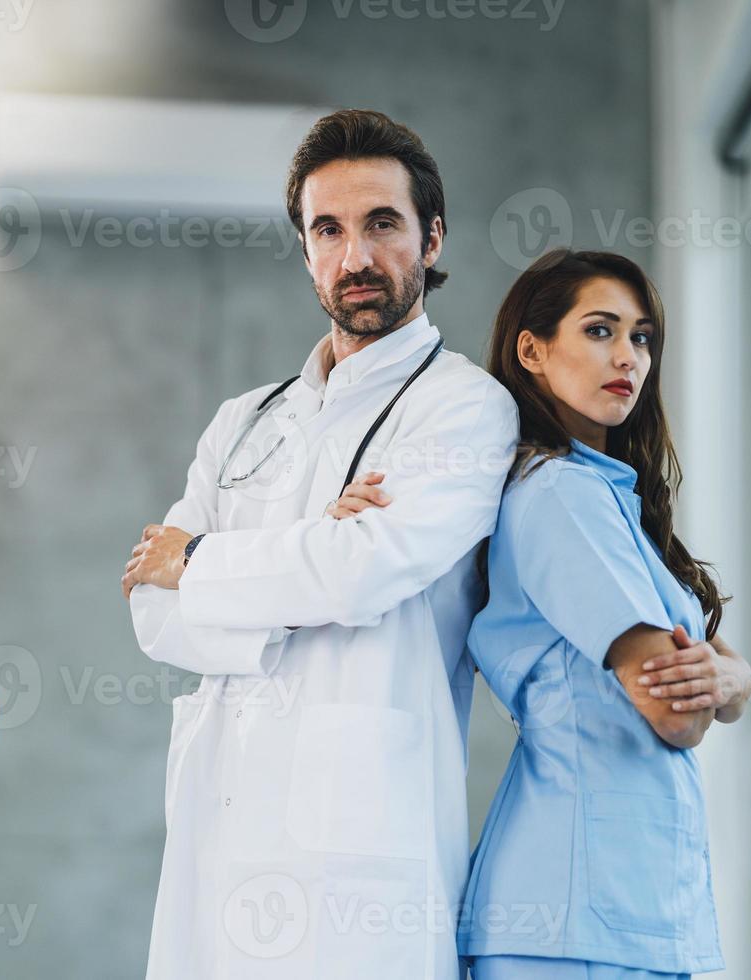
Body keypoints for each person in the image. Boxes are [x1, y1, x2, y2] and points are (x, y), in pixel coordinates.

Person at [121, 109, 518, 979]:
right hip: (221, 824)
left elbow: (362, 573)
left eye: (383, 225)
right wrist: (304, 562)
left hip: (362, 849)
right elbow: (153, 618)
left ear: (433, 236)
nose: (356, 258)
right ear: (304, 250)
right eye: (327, 230)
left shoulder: (464, 407)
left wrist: (202, 565)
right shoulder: (246, 420)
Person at [451, 249, 751, 979]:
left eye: (642, 336)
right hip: (572, 914)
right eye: (600, 331)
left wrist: (725, 681)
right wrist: (720, 683)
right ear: (532, 349)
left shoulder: (612, 501)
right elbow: (676, 710)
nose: (628, 357)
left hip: (609, 912)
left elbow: (720, 677)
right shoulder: (560, 496)